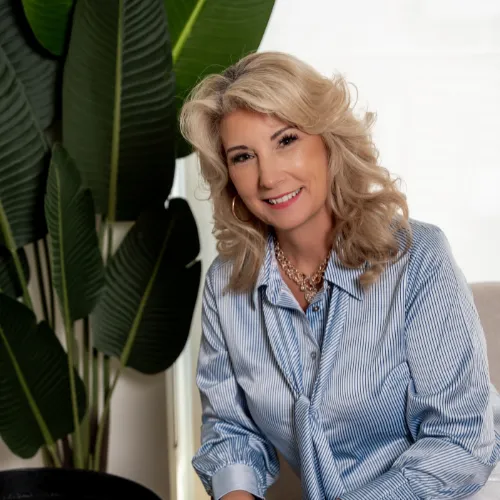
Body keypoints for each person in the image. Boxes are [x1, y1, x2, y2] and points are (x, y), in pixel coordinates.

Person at [179, 51, 500, 500]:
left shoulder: (418, 259)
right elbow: (232, 431)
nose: (268, 177)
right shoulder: (227, 284)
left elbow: (460, 441)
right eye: (244, 156)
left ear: (329, 140)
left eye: (286, 140)